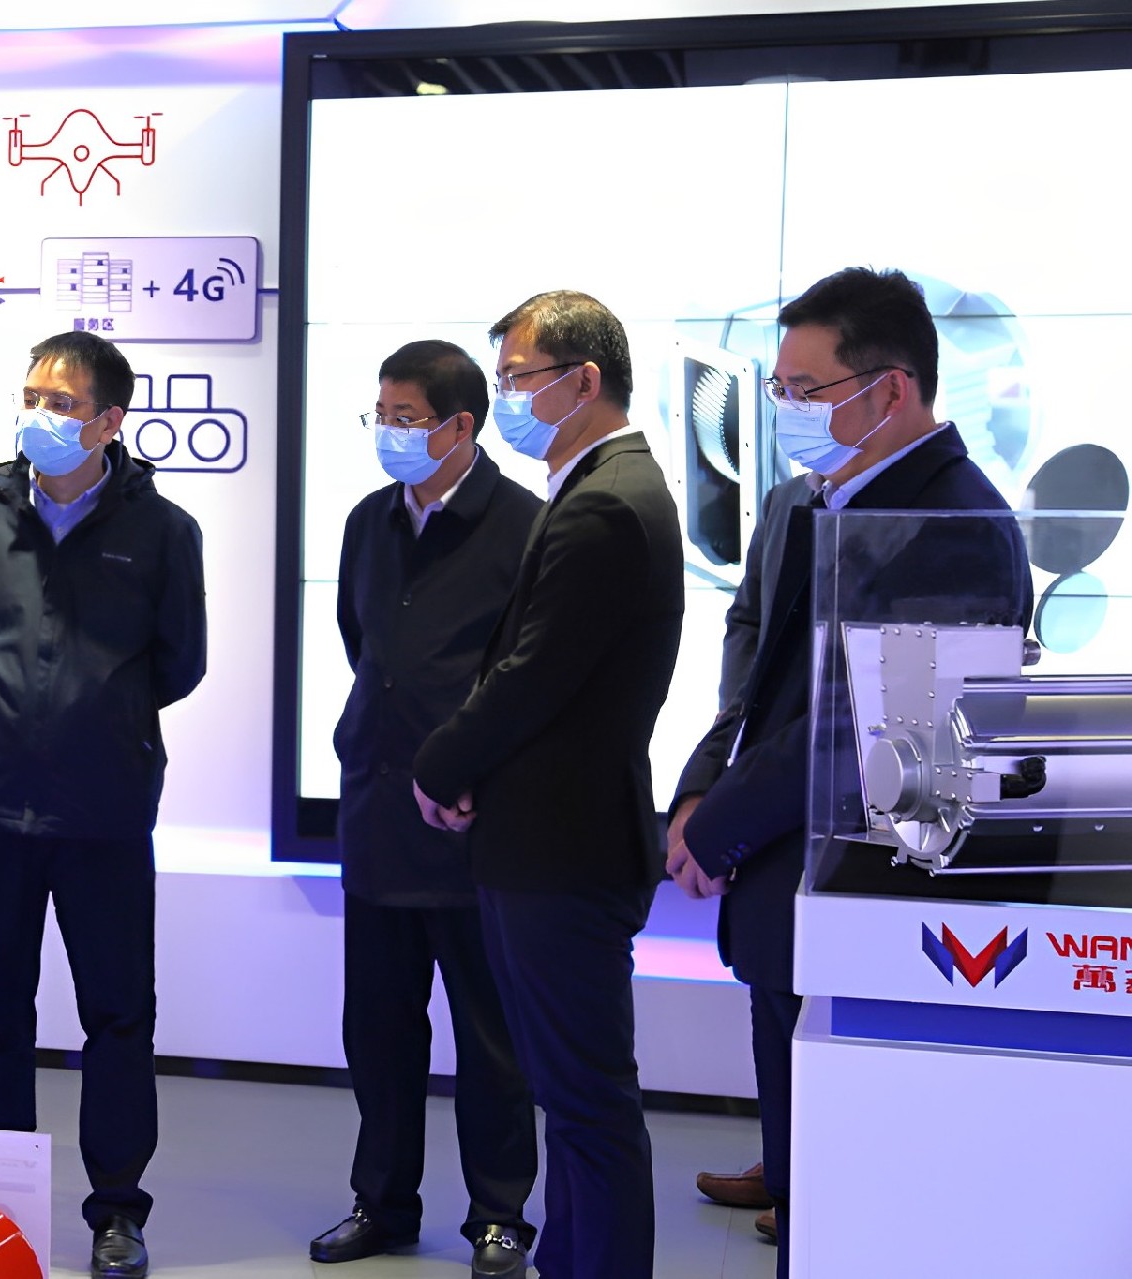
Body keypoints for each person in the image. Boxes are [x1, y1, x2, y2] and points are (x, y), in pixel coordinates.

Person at [665, 266, 1032, 1276]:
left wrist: (723, 823)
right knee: (808, 1180)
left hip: (869, 906)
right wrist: (701, 788)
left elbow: (873, 729)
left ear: (892, 389)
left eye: (808, 390)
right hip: (793, 895)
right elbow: (765, 672)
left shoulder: (954, 522)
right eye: (779, 388)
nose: (786, 409)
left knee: (854, 1206)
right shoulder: (824, 501)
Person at [412, 291, 684, 1279]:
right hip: (551, 838)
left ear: (585, 379)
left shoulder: (607, 502)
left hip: (563, 848)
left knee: (585, 1102)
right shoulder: (599, 487)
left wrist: (441, 765)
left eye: (520, 378)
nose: (509, 400)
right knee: (573, 1100)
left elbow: (533, 675)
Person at [0, 329, 206, 1279]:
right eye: (31, 398)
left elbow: (179, 663)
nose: (39, 416)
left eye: (60, 402)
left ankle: (117, 1211)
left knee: (119, 1015)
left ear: (108, 421)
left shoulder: (163, 529)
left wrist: (97, 715)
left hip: (103, 810)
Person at [311, 340, 542, 1278]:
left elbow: (527, 673)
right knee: (378, 1028)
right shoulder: (369, 520)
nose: (389, 434)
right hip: (377, 808)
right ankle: (382, 1201)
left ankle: (499, 1214)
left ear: (460, 427)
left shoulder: (523, 524)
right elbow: (361, 640)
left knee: (491, 1036)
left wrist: (467, 763)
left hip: (472, 824)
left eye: (405, 419)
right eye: (381, 416)